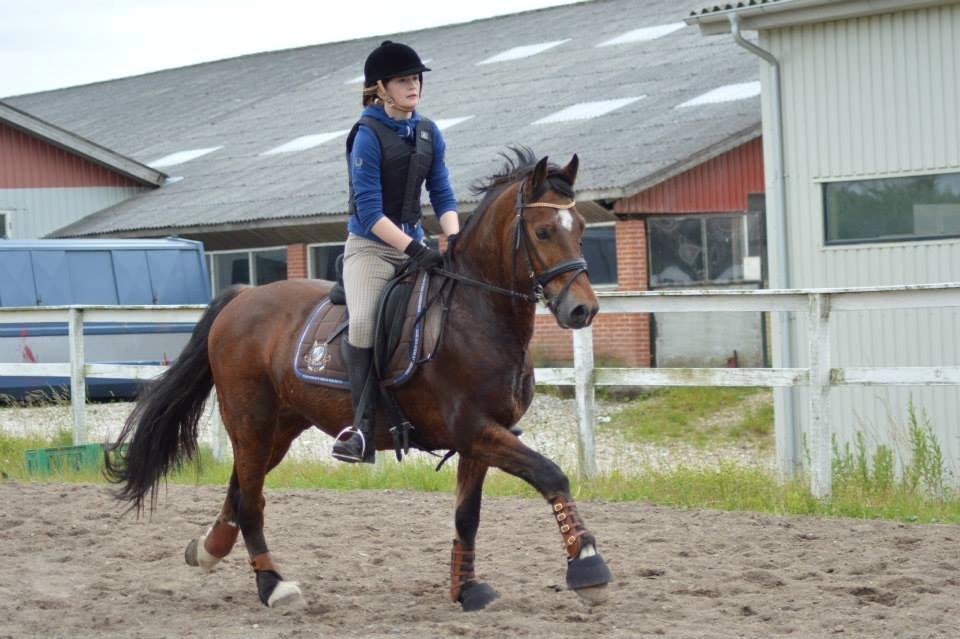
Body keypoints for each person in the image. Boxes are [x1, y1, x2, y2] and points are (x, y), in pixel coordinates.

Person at [332, 40, 461, 463]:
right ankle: (361, 428)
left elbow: (441, 192)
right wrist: (413, 248)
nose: (414, 86)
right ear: (381, 88)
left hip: (416, 244)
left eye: (416, 79)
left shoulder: (428, 131)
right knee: (366, 321)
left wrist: (453, 240)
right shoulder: (366, 135)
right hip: (371, 249)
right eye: (404, 80)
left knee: (455, 308)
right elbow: (368, 212)